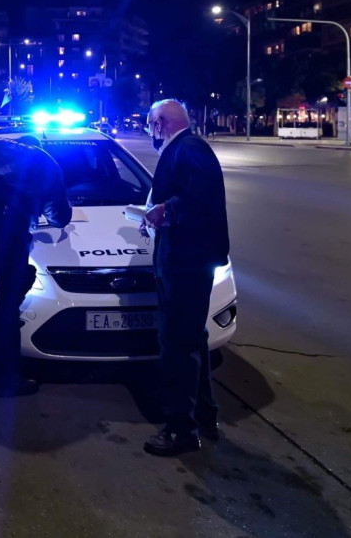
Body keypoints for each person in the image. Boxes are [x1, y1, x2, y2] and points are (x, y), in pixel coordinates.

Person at [140, 99, 230, 456]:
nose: (149, 130)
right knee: (191, 340)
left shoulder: (188, 149)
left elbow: (200, 200)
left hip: (186, 263)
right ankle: (203, 416)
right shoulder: (184, 149)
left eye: (150, 123)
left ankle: (181, 430)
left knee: (178, 344)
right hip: (184, 259)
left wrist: (166, 211)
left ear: (160, 123)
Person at [0, 135, 71, 397]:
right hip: (10, 231)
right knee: (7, 305)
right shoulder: (46, 162)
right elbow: (59, 216)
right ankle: (5, 381)